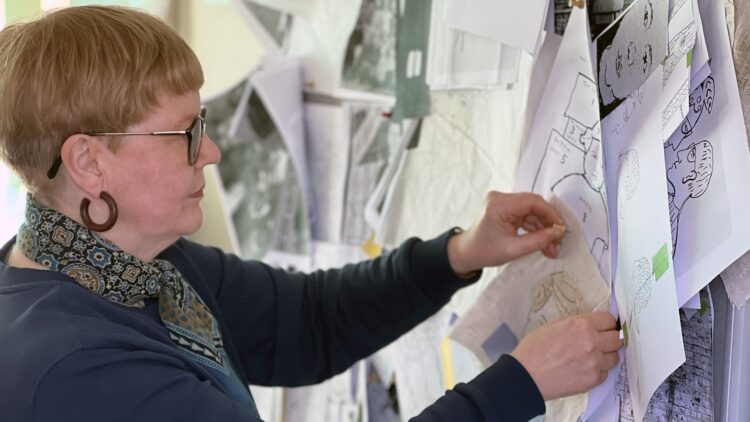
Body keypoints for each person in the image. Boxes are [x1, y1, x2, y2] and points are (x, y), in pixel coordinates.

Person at [0, 6, 621, 421]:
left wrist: (460, 254)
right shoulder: (75, 371)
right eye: (184, 134)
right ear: (87, 162)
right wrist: (521, 384)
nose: (209, 152)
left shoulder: (134, 262)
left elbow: (307, 323)